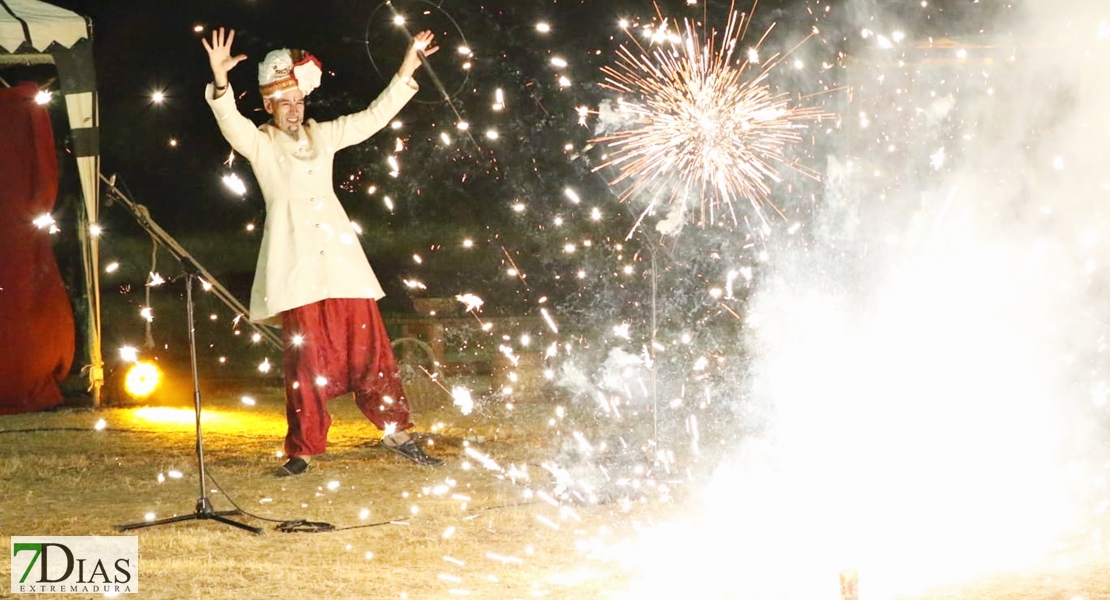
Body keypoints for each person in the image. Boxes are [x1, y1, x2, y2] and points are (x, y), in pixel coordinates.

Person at [202, 27, 442, 476]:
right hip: (295, 269)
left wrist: (407, 67)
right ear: (269, 105)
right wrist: (220, 82)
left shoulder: (324, 137)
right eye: (284, 102)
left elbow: (373, 117)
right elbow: (230, 121)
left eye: (299, 101)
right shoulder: (260, 144)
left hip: (342, 263)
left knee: (372, 352)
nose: (294, 110)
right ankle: (303, 450)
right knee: (307, 362)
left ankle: (397, 432)